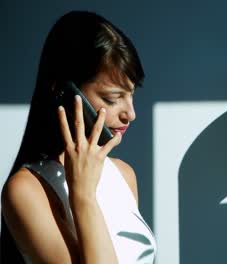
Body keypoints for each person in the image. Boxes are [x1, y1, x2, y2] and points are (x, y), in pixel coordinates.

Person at [0, 11, 156, 263]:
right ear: (62, 90)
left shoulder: (124, 175)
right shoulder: (26, 191)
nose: (131, 114)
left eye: (131, 94)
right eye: (113, 98)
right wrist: (82, 194)